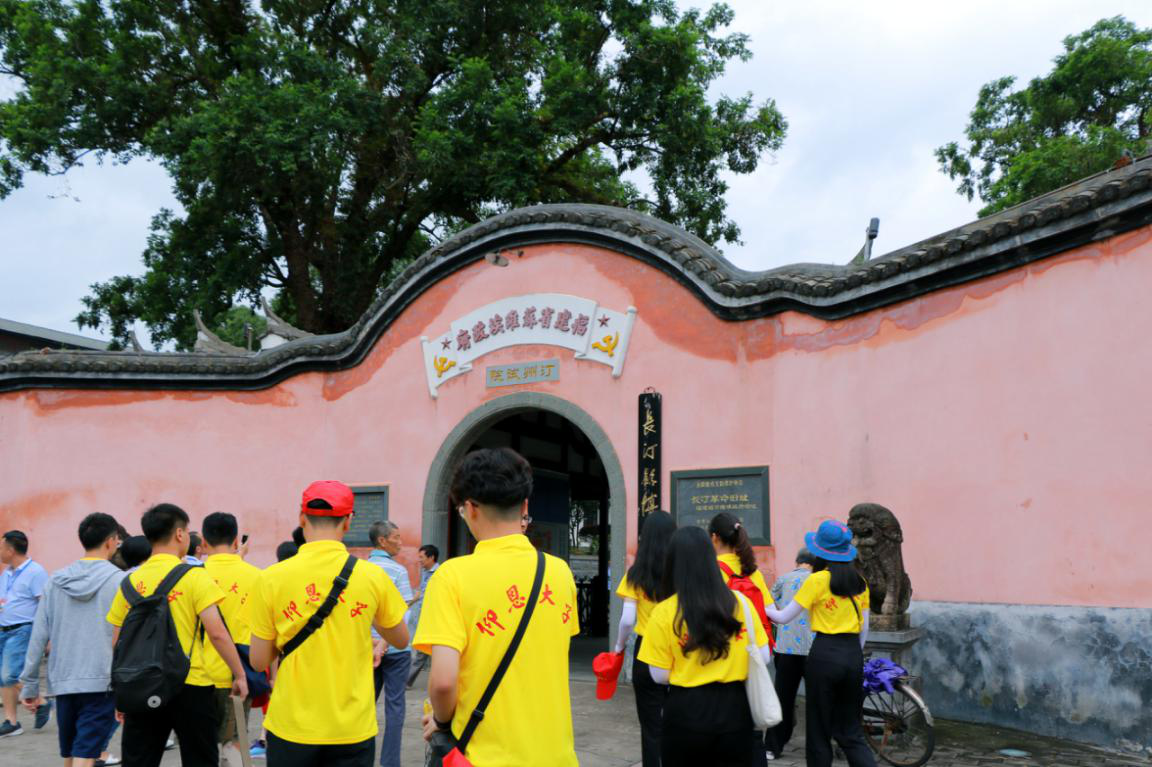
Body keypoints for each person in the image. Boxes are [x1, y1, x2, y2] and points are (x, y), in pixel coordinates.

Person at [416, 447, 580, 767]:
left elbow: (443, 682)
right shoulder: (559, 572)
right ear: (525, 506)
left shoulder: (451, 576)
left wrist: (442, 721)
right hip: (556, 755)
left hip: (483, 756)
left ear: (470, 508)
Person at [248, 480, 409, 766]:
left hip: (291, 725)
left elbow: (259, 660)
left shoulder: (270, 578)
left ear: (302, 518)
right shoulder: (372, 578)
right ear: (348, 521)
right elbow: (400, 639)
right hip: (352, 727)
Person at [106, 503, 248, 767]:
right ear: (180, 534)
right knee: (200, 759)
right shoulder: (194, 577)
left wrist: (121, 690)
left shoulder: (129, 582)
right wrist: (239, 674)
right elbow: (217, 633)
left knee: (138, 761)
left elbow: (118, 643)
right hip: (191, 683)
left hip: (142, 683)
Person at [639, 526, 771, 767]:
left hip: (686, 710)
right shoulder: (741, 604)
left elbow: (658, 675)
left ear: (673, 564)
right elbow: (763, 656)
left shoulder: (664, 612)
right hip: (735, 708)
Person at [765, 521, 875, 767]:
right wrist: (853, 654)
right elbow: (864, 628)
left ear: (821, 551)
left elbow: (783, 617)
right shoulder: (860, 582)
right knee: (851, 732)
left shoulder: (816, 581)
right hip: (852, 656)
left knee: (819, 730)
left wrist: (760, 607)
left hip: (825, 655)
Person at [18, 513, 124, 766]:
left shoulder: (56, 581)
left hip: (64, 681)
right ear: (110, 541)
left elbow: (38, 634)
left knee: (72, 754)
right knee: (86, 755)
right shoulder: (120, 581)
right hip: (102, 680)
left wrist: (30, 684)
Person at [613, 510, 676, 767]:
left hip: (646, 652)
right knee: (678, 720)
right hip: (679, 649)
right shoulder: (681, 572)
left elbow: (628, 619)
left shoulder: (636, 574)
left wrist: (618, 646)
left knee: (651, 725)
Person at [200, 512, 263, 767]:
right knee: (235, 741)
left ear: (203, 541)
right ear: (236, 540)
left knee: (201, 745)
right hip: (239, 673)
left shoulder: (192, 575)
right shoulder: (258, 577)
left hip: (196, 676)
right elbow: (266, 630)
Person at [763, 548, 818, 760]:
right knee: (817, 700)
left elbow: (769, 603)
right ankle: (818, 747)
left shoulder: (783, 579)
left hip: (786, 648)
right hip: (813, 649)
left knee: (783, 698)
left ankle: (773, 747)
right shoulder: (818, 580)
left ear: (797, 561)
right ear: (814, 563)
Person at [367, 520, 413, 767]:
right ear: (382, 540)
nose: (400, 542)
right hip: (396, 650)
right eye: (396, 537)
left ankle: (360, 757)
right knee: (395, 707)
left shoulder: (359, 571)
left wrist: (376, 644)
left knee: (363, 706)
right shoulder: (398, 571)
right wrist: (385, 643)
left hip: (366, 648)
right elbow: (403, 612)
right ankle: (390, 763)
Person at [0, 529, 49, 737]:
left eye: (1, 547)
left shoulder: (36, 572)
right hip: (4, 629)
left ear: (11, 550)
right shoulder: (6, 573)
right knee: (3, 678)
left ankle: (41, 701)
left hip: (22, 629)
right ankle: (11, 722)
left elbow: (45, 605)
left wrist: (46, 636)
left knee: (10, 674)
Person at [404, 544, 439, 689]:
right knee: (423, 650)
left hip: (434, 619)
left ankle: (407, 681)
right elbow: (420, 592)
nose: (419, 560)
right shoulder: (424, 572)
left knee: (425, 651)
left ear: (431, 557)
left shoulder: (440, 573)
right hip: (423, 616)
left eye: (421, 557)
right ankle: (407, 681)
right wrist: (408, 604)